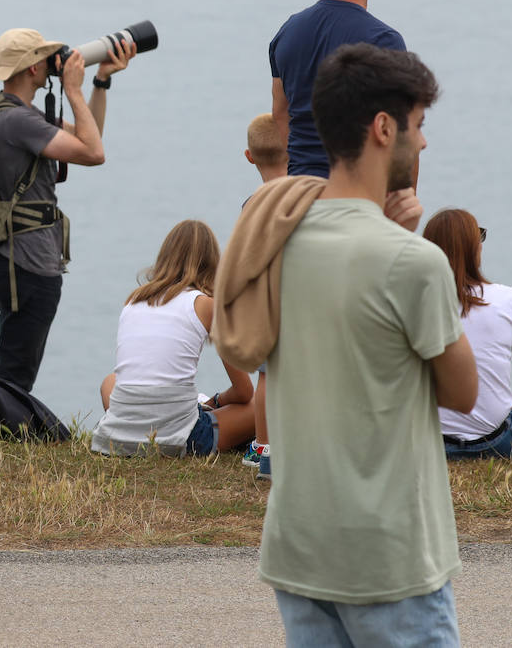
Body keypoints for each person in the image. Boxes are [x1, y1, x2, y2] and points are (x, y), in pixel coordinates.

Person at [213, 43, 478, 647]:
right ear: (384, 129)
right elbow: (464, 392)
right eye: (419, 126)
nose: (425, 143)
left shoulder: (275, 242)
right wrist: (412, 255)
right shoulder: (412, 261)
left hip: (299, 546)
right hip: (390, 558)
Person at [0, 27, 134, 394]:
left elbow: (89, 134)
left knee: (18, 358)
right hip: (27, 260)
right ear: (33, 68)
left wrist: (100, 82)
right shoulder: (18, 122)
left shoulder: (20, 115)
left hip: (22, 256)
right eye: (45, 57)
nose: (54, 62)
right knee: (17, 364)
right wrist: (74, 90)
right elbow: (94, 154)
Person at [92, 220, 253, 457]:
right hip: (182, 438)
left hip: (117, 436)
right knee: (263, 405)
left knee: (110, 381)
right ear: (212, 264)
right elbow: (244, 392)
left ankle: (129, 430)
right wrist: (215, 401)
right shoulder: (205, 305)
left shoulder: (133, 300)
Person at [424, 208, 512, 458]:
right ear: (474, 249)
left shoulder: (413, 301)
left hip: (429, 442)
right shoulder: (504, 299)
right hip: (492, 443)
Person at [270, 0, 406, 178]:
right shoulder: (384, 41)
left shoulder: (288, 32)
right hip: (354, 194)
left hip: (298, 191)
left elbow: (280, 113)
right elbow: (399, 135)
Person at [240, 112, 286, 479]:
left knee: (267, 378)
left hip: (264, 303)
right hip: (301, 299)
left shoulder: (250, 206)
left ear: (249, 156)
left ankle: (263, 450)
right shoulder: (305, 195)